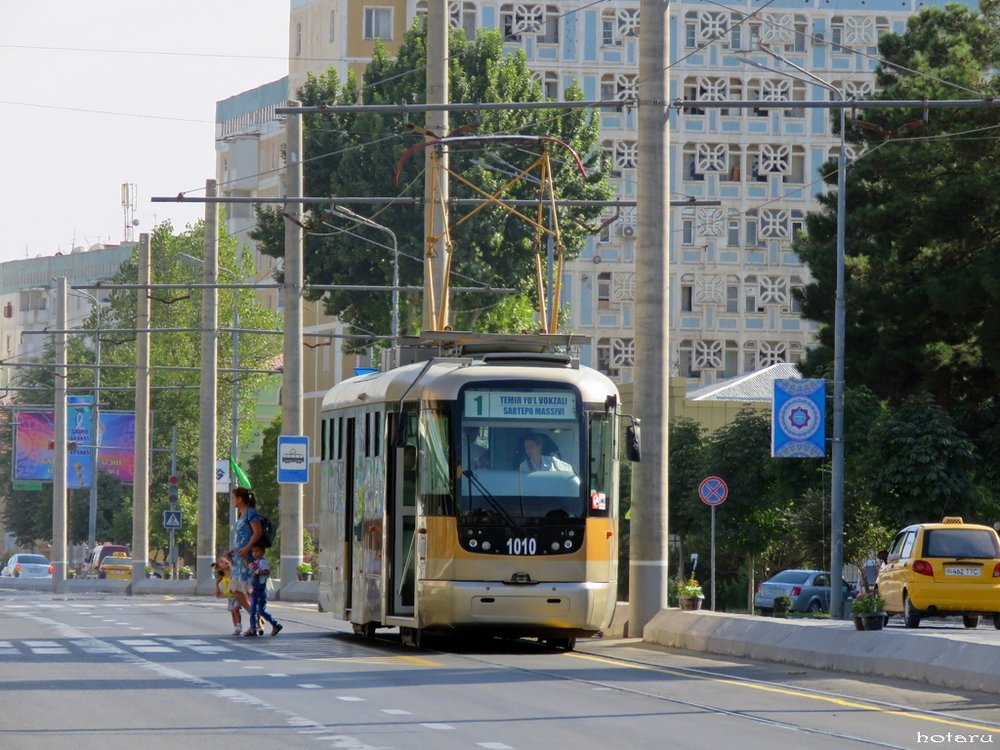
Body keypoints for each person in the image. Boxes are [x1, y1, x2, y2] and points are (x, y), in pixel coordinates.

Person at [227, 486, 262, 616]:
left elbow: (257, 533)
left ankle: (257, 618)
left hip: (247, 557)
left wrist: (246, 549)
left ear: (240, 499)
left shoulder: (251, 513)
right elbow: (242, 537)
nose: (232, 500)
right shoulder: (242, 514)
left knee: (248, 589)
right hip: (238, 556)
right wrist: (232, 550)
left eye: (233, 498)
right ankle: (256, 615)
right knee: (236, 591)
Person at [246, 542, 283, 637]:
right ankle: (256, 627)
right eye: (253, 551)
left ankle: (258, 627)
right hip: (255, 590)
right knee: (256, 610)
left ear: (263, 552)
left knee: (257, 610)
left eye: (257, 551)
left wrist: (258, 572)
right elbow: (248, 567)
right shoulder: (255, 562)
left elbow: (267, 571)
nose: (255, 553)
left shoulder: (262, 562)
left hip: (260, 590)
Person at [213, 556, 243, 636]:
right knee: (232, 612)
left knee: (235, 609)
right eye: (221, 562)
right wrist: (218, 590)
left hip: (237, 594)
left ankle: (239, 625)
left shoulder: (233, 572)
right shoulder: (222, 576)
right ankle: (236, 628)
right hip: (230, 597)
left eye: (225, 560)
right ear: (219, 568)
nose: (225, 561)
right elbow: (217, 583)